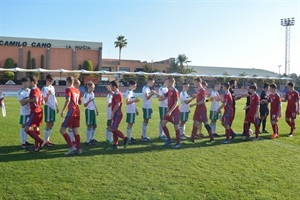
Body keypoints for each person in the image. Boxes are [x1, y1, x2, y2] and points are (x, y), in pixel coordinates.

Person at [60, 76, 82, 155]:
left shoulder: (68, 89)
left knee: (62, 130)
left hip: (71, 112)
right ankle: (79, 149)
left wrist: (63, 110)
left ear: (68, 81)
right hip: (77, 112)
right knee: (75, 131)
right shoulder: (77, 90)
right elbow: (80, 102)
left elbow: (68, 99)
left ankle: (71, 147)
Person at [189, 78, 214, 144]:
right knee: (195, 122)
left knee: (205, 123)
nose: (194, 84)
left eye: (195, 83)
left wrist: (194, 104)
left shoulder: (202, 90)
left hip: (202, 109)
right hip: (198, 108)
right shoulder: (199, 90)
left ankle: (211, 137)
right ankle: (192, 138)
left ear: (198, 82)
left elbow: (203, 101)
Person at [24, 76, 45, 152]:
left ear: (33, 82)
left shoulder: (33, 90)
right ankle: (37, 147)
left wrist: (27, 100)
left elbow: (35, 100)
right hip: (39, 110)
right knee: (36, 128)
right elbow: (42, 101)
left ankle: (41, 141)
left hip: (34, 112)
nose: (28, 83)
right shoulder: (38, 89)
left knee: (27, 129)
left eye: (29, 82)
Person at [106, 80, 129, 149]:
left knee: (113, 129)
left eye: (111, 86)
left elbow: (118, 104)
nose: (110, 87)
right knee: (114, 128)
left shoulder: (118, 94)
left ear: (114, 86)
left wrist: (113, 112)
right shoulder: (116, 93)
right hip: (116, 114)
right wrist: (110, 91)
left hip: (117, 114)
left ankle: (125, 138)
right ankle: (115, 144)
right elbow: (114, 95)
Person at [161, 77, 181, 148]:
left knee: (176, 126)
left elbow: (176, 103)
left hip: (174, 112)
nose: (166, 83)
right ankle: (169, 139)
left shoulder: (175, 91)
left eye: (167, 82)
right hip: (170, 111)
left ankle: (178, 143)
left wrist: (170, 111)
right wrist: (155, 93)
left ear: (171, 83)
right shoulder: (169, 90)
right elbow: (162, 97)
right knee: (163, 123)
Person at [41, 74, 59, 146]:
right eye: (50, 81)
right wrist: (48, 94)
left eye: (52, 81)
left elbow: (54, 97)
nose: (51, 82)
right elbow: (44, 101)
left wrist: (57, 106)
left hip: (53, 107)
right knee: (48, 123)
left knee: (52, 124)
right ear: (47, 80)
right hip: (48, 107)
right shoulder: (44, 89)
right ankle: (45, 141)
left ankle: (48, 140)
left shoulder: (52, 87)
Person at [17, 77, 32, 148]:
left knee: (28, 127)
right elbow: (22, 103)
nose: (28, 83)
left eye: (29, 82)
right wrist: (29, 100)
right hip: (24, 112)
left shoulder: (30, 90)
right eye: (27, 82)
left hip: (30, 112)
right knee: (23, 126)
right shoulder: (20, 92)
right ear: (23, 83)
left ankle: (25, 140)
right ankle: (23, 142)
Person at [68, 78, 82, 143]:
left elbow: (79, 102)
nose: (78, 86)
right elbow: (80, 102)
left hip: (72, 110)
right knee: (74, 127)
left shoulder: (72, 90)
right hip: (76, 110)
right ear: (74, 84)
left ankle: (72, 141)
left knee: (71, 127)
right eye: (78, 85)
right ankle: (74, 142)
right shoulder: (78, 91)